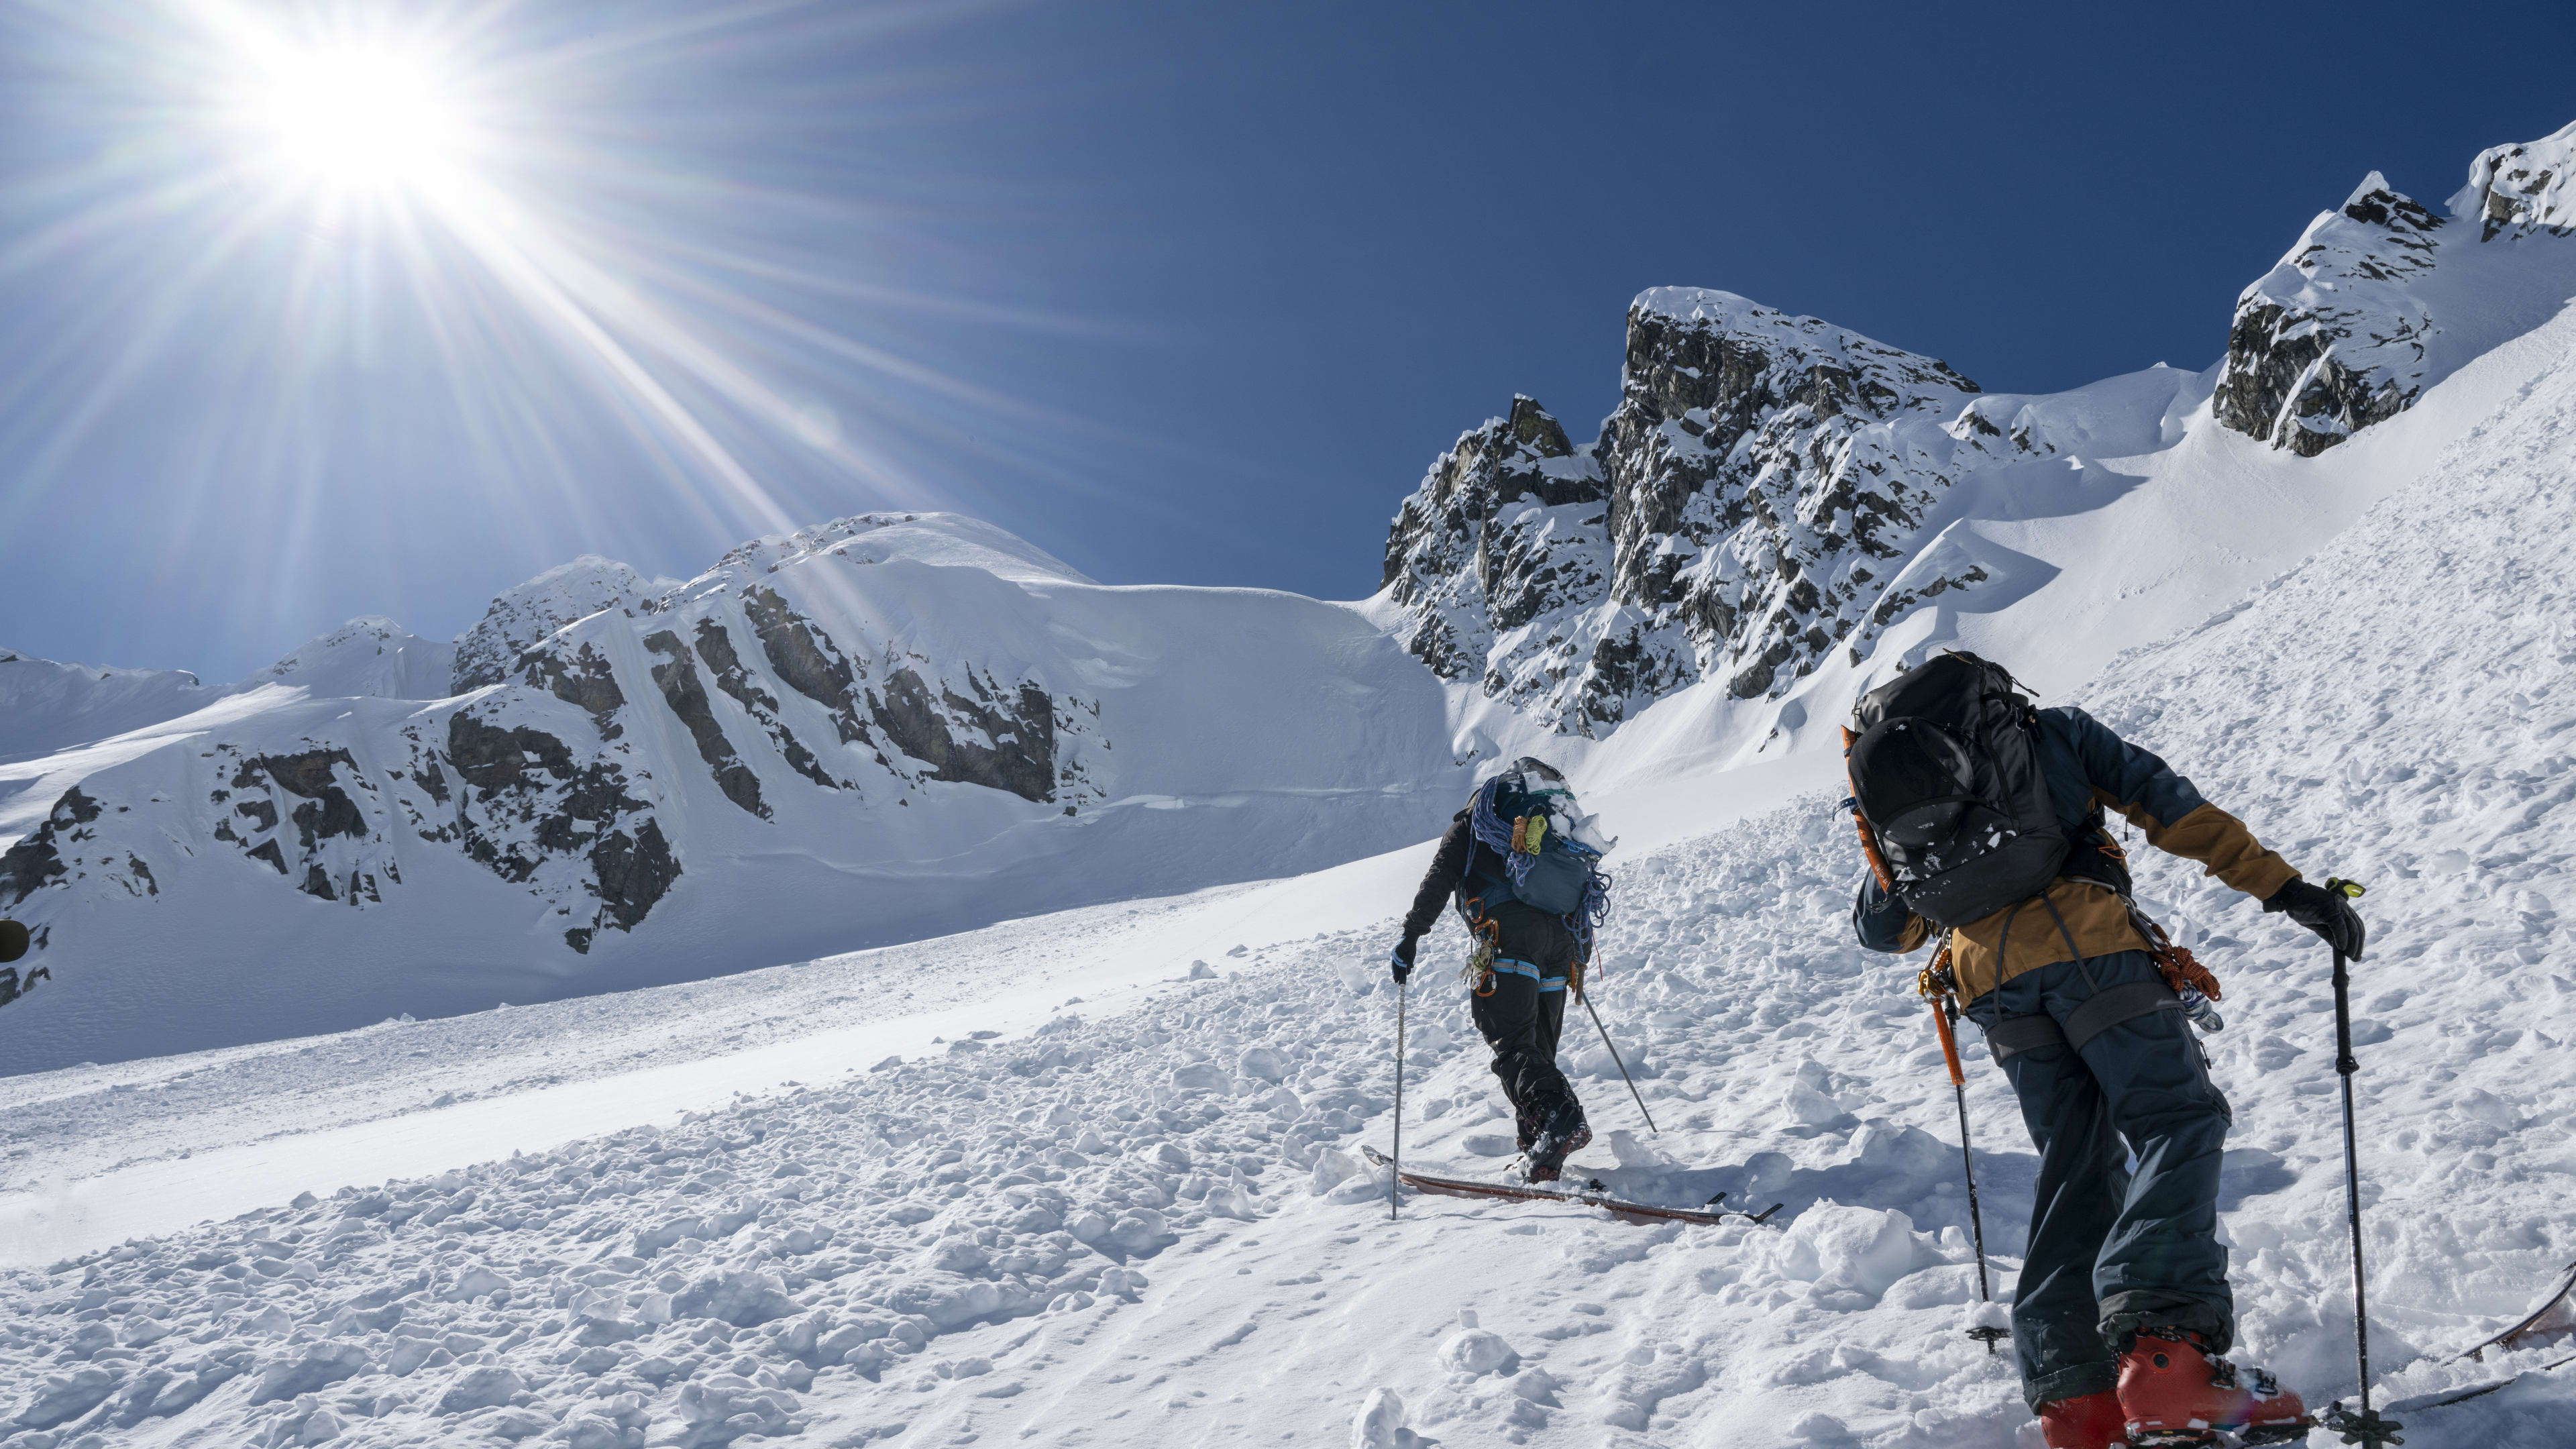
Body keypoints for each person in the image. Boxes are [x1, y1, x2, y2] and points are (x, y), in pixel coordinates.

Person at [1845, 655, 2365, 1449]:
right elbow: (2170, 806)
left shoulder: (1906, 802)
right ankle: (2166, 1359)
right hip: (2092, 953)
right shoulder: (2049, 736)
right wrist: (2286, 889)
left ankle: (2076, 1402)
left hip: (1992, 992)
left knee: (2076, 1169)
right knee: (2177, 1121)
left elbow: (1887, 928)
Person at [1391, 757, 1607, 1183]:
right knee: (1539, 1050)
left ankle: (1561, 1119)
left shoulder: (1472, 823)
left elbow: (1440, 878)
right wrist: (1577, 954)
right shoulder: (1549, 825)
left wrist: (1411, 935)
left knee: (1512, 1041)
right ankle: (1540, 1145)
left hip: (1506, 936)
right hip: (1559, 944)